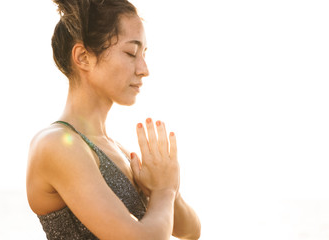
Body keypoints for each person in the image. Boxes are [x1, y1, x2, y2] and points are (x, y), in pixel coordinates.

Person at [26, 0, 201, 239]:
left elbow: (191, 231)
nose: (144, 69)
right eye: (131, 53)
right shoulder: (57, 144)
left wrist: (166, 188)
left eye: (144, 54)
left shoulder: (115, 148)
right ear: (83, 57)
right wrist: (164, 190)